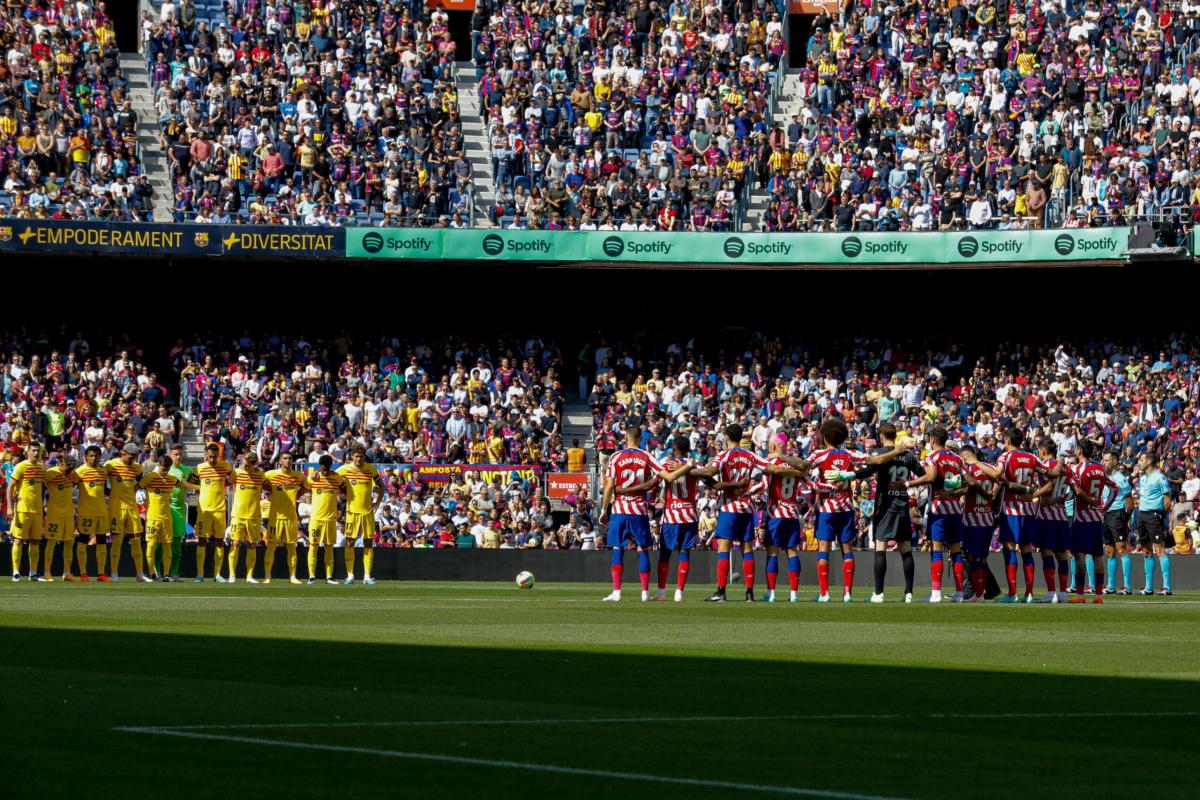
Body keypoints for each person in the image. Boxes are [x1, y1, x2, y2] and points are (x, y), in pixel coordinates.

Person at [790, 417, 906, 603]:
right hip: (846, 508)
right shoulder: (849, 454)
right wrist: (896, 451)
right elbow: (876, 460)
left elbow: (802, 465)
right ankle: (847, 594)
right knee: (847, 550)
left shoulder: (819, 455)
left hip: (828, 508)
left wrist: (780, 456)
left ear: (825, 436)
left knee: (823, 549)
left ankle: (824, 594)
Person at [976, 429, 1060, 603]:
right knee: (1026, 549)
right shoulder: (1032, 458)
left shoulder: (1006, 457)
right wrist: (1060, 461)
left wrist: (975, 462)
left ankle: (1013, 593)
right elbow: (1052, 473)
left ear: (1007, 440)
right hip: (1029, 510)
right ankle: (1028, 594)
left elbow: (997, 473)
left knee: (1010, 548)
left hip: (1011, 510)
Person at [855, 423, 923, 603]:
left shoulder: (880, 453)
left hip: (885, 506)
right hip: (902, 506)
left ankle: (878, 593)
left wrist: (849, 475)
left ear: (882, 435)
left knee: (881, 548)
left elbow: (867, 470)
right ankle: (909, 593)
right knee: (906, 549)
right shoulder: (908, 455)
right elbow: (923, 474)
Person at [598, 425, 663, 602]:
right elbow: (661, 475)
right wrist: (649, 485)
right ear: (640, 439)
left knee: (618, 548)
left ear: (626, 438)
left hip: (619, 510)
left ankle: (617, 592)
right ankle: (644, 593)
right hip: (639, 510)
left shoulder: (616, 456)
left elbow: (610, 485)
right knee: (643, 549)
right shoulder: (647, 456)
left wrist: (604, 510)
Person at [905, 427, 967, 602]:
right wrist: (954, 493)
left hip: (938, 510)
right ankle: (960, 592)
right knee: (956, 551)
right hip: (955, 510)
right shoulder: (957, 458)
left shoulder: (932, 456)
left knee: (937, 548)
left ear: (932, 440)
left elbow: (931, 477)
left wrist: (908, 483)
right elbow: (967, 483)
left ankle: (936, 593)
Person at [761, 434, 814, 603]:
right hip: (792, 512)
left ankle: (771, 593)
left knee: (773, 552)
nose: (769, 448)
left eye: (770, 445)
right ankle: (793, 594)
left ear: (775, 447)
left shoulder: (771, 463)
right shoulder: (795, 464)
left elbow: (763, 483)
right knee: (792, 552)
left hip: (775, 513)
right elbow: (807, 473)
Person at [652, 436, 703, 601]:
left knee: (665, 553)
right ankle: (679, 592)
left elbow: (656, 482)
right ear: (689, 449)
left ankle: (661, 592)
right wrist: (689, 466)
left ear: (674, 448)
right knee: (685, 551)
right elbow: (706, 475)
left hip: (672, 514)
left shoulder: (666, 465)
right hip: (689, 514)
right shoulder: (695, 466)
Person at [1068, 440, 1115, 604]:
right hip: (1096, 518)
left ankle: (1080, 595)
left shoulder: (1077, 469)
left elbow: (1077, 491)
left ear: (1079, 451)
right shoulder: (1101, 469)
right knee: (1097, 556)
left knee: (1078, 555)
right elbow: (1114, 489)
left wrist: (1089, 500)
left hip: (1081, 517)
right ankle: (1099, 596)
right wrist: (1103, 508)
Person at [140, 454, 198, 581]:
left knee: (167, 545)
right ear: (158, 466)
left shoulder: (171, 478)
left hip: (166, 518)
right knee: (151, 545)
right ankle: (152, 574)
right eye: (163, 469)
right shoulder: (150, 477)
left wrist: (200, 488)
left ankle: (166, 575)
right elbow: (138, 487)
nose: (165, 471)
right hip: (152, 517)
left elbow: (184, 484)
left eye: (167, 469)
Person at [1032, 437, 1075, 603]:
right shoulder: (1066, 469)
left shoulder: (1044, 466)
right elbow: (1073, 491)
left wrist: (1034, 495)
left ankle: (1051, 593)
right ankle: (1063, 593)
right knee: (1062, 554)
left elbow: (1049, 486)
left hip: (1046, 514)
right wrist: (1060, 499)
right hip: (1061, 516)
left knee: (1046, 552)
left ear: (1043, 451)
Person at [337, 444, 385, 585]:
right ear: (352, 456)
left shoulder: (370, 469)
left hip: (367, 512)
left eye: (361, 456)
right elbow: (331, 476)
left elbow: (381, 486)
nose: (359, 458)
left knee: (368, 543)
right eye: (356, 456)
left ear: (365, 456)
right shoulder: (345, 469)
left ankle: (367, 576)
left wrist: (377, 503)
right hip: (352, 512)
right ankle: (350, 575)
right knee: (350, 542)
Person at [959, 445, 1000, 602]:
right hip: (987, 517)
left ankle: (978, 594)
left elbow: (964, 489)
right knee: (983, 558)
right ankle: (981, 592)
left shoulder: (967, 469)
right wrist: (993, 493)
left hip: (971, 518)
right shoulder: (989, 468)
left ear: (965, 456)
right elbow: (1000, 480)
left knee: (973, 557)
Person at [106, 442, 148, 582]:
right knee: (117, 541)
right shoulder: (111, 465)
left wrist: (136, 489)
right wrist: (110, 493)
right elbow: (99, 481)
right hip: (117, 508)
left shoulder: (136, 467)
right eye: (131, 457)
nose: (134, 460)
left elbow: (143, 481)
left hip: (132, 508)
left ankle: (140, 574)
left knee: (136, 540)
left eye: (135, 457)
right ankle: (114, 573)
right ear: (123, 453)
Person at [264, 450, 307, 584]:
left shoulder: (299, 476)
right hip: (275, 517)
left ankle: (292, 577)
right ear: (280, 461)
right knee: (271, 546)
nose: (288, 460)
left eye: (289, 458)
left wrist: (296, 496)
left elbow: (306, 487)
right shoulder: (271, 474)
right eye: (285, 458)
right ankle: (267, 576)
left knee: (291, 546)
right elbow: (261, 483)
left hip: (291, 517)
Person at [1135, 451, 1173, 596]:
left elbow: (1167, 500)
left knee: (1160, 549)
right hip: (1142, 515)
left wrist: (1160, 517)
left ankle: (1167, 587)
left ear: (1149, 461)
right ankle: (1148, 587)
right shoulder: (1143, 478)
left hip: (1154, 515)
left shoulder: (1160, 477)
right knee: (1146, 550)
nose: (1139, 462)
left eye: (1142, 459)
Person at [194, 443, 233, 581]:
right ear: (206, 455)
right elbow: (193, 483)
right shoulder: (200, 468)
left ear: (219, 456)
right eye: (210, 457)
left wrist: (224, 484)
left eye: (215, 457)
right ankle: (200, 574)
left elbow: (232, 477)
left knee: (219, 540)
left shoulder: (225, 466)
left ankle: (217, 574)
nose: (212, 460)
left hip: (220, 509)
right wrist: (198, 489)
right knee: (202, 540)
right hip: (204, 509)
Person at [227, 452, 266, 583]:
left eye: (249, 465)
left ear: (255, 464)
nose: (246, 466)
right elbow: (224, 483)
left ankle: (249, 576)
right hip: (238, 514)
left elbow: (270, 485)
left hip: (254, 516)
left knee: (252, 545)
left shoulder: (261, 475)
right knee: (235, 543)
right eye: (245, 463)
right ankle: (232, 575)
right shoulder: (236, 473)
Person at [8, 444, 46, 581]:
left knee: (35, 541)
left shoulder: (41, 467)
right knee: (18, 540)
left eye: (38, 451)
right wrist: (9, 507)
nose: (36, 453)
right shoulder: (21, 466)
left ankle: (33, 573)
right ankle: (16, 572)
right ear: (28, 452)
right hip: (23, 509)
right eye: (33, 451)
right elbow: (10, 486)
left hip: (37, 510)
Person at [74, 446, 110, 581]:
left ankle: (101, 573)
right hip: (86, 513)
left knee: (102, 541)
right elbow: (69, 487)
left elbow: (105, 490)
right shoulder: (80, 472)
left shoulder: (103, 471)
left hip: (101, 512)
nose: (94, 458)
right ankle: (83, 573)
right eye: (91, 456)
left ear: (100, 456)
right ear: (86, 457)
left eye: (96, 456)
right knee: (83, 540)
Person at [307, 454, 345, 585]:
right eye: (323, 469)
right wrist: (315, 473)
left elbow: (346, 491)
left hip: (330, 519)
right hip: (316, 519)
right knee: (313, 546)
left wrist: (342, 510)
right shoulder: (313, 478)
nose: (325, 471)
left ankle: (329, 577)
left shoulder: (337, 478)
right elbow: (302, 488)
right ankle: (312, 576)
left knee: (329, 547)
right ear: (320, 466)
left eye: (328, 468)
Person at [1101, 450, 1134, 595]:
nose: (1104, 462)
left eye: (1107, 460)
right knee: (1109, 551)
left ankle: (1127, 586)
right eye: (1103, 460)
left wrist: (1125, 520)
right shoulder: (1105, 477)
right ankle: (1111, 585)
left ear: (1115, 461)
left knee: (1121, 549)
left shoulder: (1120, 479)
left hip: (1117, 514)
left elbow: (1130, 503)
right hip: (1107, 515)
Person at [42, 455, 78, 580]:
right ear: (60, 463)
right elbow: (39, 487)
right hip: (54, 513)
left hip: (68, 514)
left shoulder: (73, 474)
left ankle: (67, 573)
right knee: (51, 542)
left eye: (72, 468)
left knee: (69, 542)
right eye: (68, 467)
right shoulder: (50, 473)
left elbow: (78, 482)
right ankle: (47, 573)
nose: (70, 470)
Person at [164, 442, 195, 580]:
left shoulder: (187, 471)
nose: (178, 457)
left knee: (176, 546)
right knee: (161, 544)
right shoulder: (164, 469)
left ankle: (174, 573)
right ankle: (158, 573)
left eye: (180, 454)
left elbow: (193, 484)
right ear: (170, 455)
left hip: (180, 510)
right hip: (165, 509)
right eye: (176, 454)